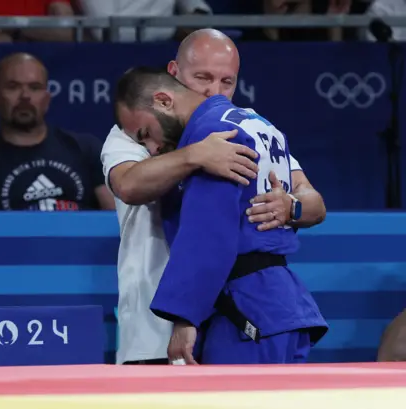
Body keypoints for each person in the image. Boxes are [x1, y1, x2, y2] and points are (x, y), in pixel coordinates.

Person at [101, 28, 326, 365]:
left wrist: (290, 205)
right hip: (255, 309)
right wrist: (194, 155)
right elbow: (130, 185)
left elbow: (209, 234)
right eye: (203, 77)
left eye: (226, 82)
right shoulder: (136, 130)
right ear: (174, 75)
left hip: (233, 311)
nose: (213, 91)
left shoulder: (223, 132)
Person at [0, 52, 115, 211]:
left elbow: (117, 219)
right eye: (13, 87)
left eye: (35, 87)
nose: (25, 96)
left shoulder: (86, 149)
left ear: (47, 99)